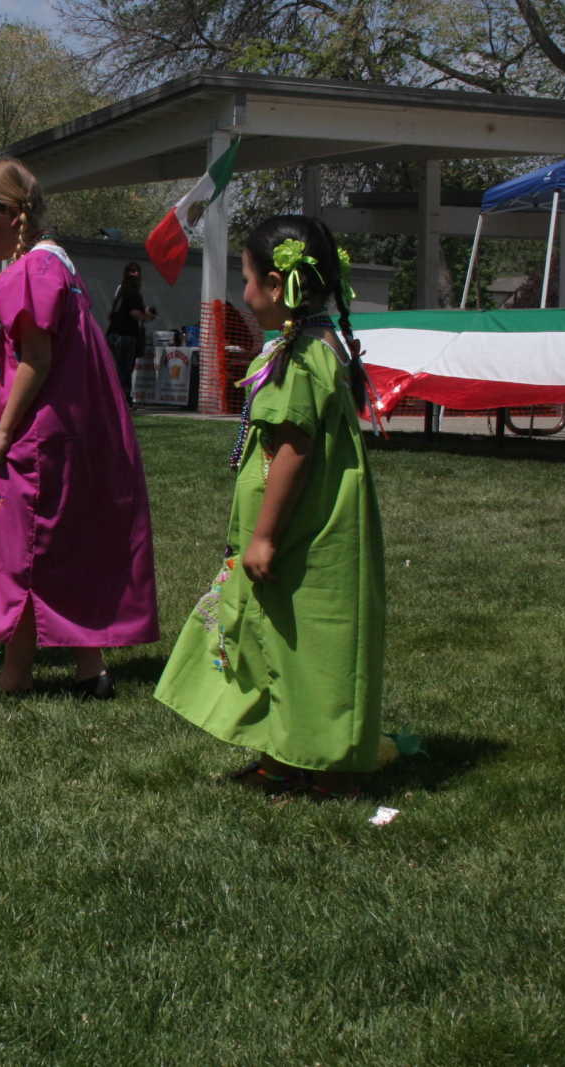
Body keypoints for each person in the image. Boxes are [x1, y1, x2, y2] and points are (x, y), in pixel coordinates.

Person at [154, 214, 385, 800]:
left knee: (312, 648)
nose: (243, 291)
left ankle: (329, 769)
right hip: (298, 528)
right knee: (272, 639)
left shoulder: (300, 359)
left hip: (302, 534)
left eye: (247, 277)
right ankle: (281, 757)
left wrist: (264, 536)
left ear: (277, 286)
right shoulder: (310, 347)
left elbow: (292, 450)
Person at [0, 158, 159, 696]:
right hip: (74, 432)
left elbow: (36, 360)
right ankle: (91, 671)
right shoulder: (57, 264)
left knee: (18, 555)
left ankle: (15, 673)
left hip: (42, 438)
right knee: (62, 546)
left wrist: (3, 430)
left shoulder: (27, 272)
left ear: (11, 214)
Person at [106, 262, 155, 404]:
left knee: (114, 370)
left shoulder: (120, 290)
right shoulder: (133, 291)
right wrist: (147, 317)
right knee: (124, 370)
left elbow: (112, 313)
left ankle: (112, 399)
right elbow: (134, 313)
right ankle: (123, 401)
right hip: (126, 335)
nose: (136, 274)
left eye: (137, 271)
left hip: (113, 333)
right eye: (133, 271)